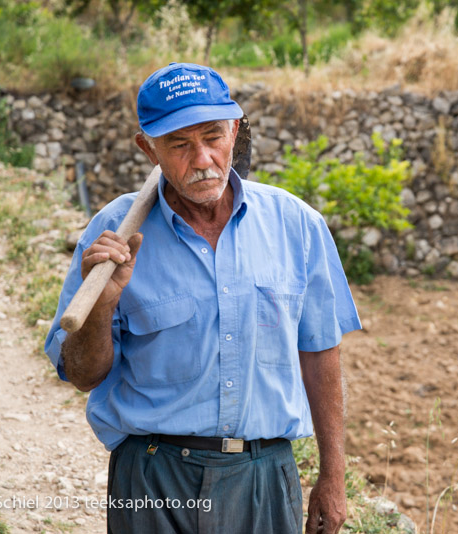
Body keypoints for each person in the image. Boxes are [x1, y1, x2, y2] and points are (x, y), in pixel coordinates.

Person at [44, 62, 361, 534]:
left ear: (235, 130)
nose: (203, 159)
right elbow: (83, 375)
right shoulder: (111, 237)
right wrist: (104, 303)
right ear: (147, 148)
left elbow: (320, 352)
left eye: (213, 137)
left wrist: (333, 477)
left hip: (263, 476)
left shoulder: (296, 225)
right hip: (151, 478)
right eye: (178, 144)